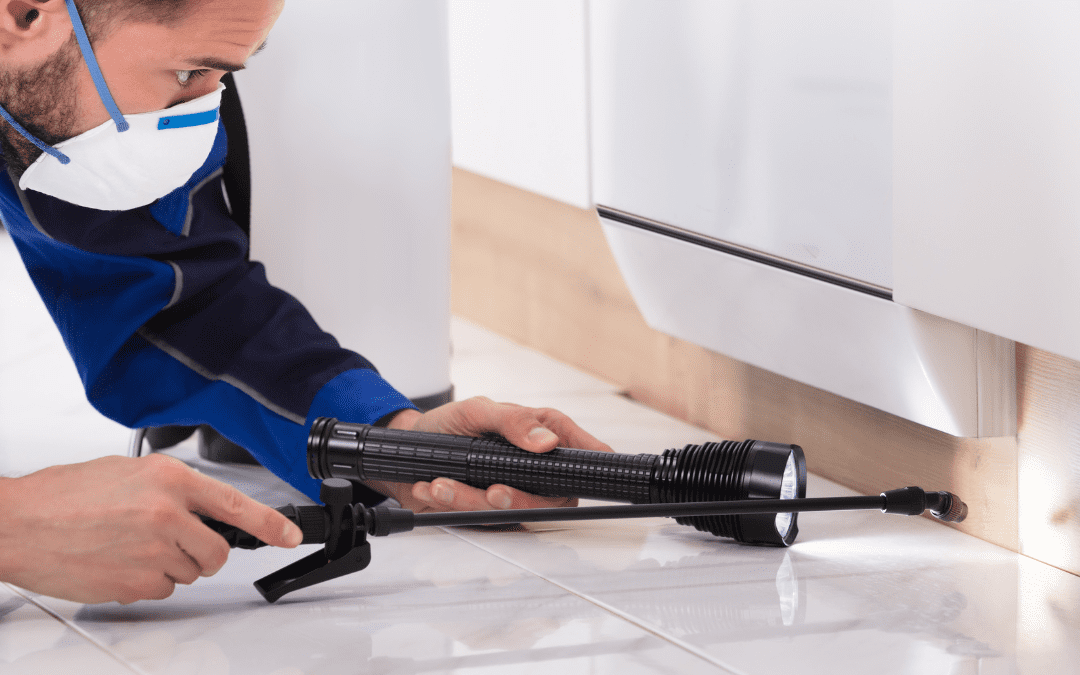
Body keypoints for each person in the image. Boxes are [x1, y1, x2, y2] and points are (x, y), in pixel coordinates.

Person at [0, 0, 611, 605]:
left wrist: (392, 444)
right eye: (187, 75)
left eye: (224, 77)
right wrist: (16, 527)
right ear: (25, 14)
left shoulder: (67, 103)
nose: (196, 121)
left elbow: (174, 304)